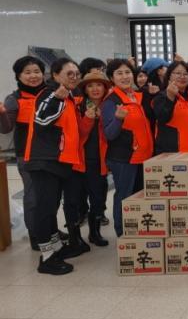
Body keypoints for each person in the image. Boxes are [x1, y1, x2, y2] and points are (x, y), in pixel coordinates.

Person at [23, 58, 82, 275]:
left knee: (51, 207)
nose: (74, 77)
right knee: (45, 209)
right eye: (69, 73)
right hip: (45, 161)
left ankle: (56, 248)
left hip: (58, 161)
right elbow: (41, 120)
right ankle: (46, 257)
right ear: (56, 75)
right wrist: (57, 98)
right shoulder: (50, 94)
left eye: (77, 73)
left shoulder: (68, 96)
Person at [101, 59, 154, 237]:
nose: (125, 76)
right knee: (124, 196)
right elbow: (109, 134)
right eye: (119, 73)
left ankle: (137, 232)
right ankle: (122, 234)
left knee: (140, 197)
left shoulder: (136, 96)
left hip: (143, 156)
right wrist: (118, 119)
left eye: (127, 72)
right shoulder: (111, 101)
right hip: (124, 158)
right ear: (111, 78)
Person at [0, 56, 47, 250]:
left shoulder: (51, 94)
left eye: (36, 71)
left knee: (50, 195)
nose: (33, 76)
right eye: (27, 72)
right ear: (18, 76)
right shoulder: (14, 99)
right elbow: (6, 128)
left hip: (52, 153)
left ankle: (49, 230)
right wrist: (2, 114)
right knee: (33, 195)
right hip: (27, 155)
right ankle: (35, 234)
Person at [65, 71, 111, 247]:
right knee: (74, 201)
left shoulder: (110, 106)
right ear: (84, 89)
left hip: (99, 163)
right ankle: (75, 237)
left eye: (99, 85)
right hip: (78, 162)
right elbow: (78, 135)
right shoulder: (77, 105)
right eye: (90, 86)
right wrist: (88, 119)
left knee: (98, 200)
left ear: (105, 88)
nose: (95, 89)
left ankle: (95, 233)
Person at [152, 61, 188, 154]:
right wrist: (170, 97)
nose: (182, 77)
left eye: (186, 74)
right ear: (169, 76)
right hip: (175, 156)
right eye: (178, 73)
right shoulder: (161, 97)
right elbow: (162, 117)